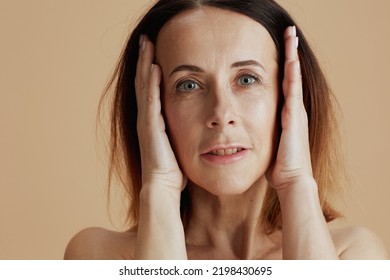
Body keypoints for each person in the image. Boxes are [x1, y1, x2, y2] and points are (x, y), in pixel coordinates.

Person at [64, 0, 388, 259]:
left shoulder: (352, 255)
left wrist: (296, 181)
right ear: (152, 106)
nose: (221, 114)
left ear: (290, 96)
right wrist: (160, 187)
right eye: (188, 84)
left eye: (247, 79)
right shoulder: (100, 256)